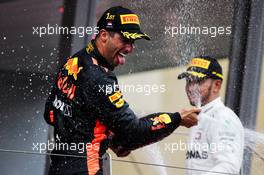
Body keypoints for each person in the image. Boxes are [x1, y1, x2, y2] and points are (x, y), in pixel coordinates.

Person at [44, 6, 199, 175]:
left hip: (58, 168)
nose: (130, 48)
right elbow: (133, 132)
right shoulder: (98, 78)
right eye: (125, 40)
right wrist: (177, 118)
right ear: (104, 35)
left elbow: (50, 113)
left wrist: (106, 137)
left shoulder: (74, 61)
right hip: (86, 169)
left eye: (133, 42)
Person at [178, 56, 244, 175]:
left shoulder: (223, 118)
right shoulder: (200, 117)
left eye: (198, 81)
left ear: (217, 85)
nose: (191, 88)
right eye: (188, 81)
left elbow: (229, 167)